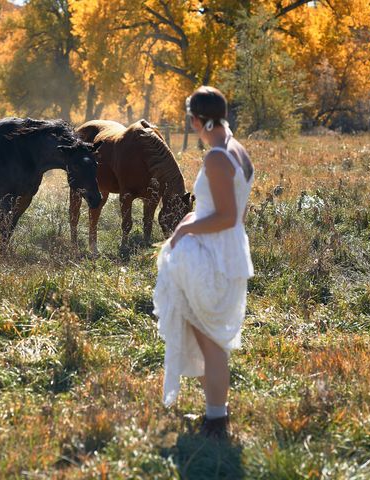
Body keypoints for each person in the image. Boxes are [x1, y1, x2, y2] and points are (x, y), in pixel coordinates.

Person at [153, 86, 254, 439]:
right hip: (227, 251)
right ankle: (215, 412)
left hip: (215, 256)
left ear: (195, 120)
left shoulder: (217, 157)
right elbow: (232, 210)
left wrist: (185, 231)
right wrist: (191, 218)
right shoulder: (237, 151)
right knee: (205, 338)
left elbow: (228, 216)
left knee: (210, 342)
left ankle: (216, 421)